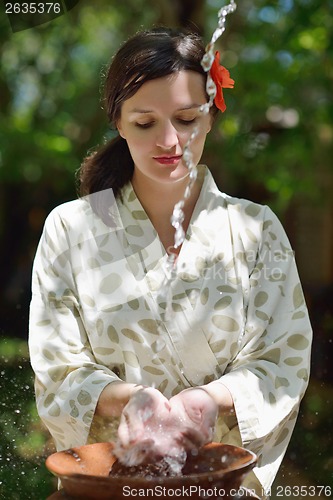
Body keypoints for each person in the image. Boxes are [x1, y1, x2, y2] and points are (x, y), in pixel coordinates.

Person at [29, 27, 312, 498]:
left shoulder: (256, 229)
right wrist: (130, 402)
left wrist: (205, 402)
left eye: (186, 119)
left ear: (211, 117)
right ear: (118, 122)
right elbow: (58, 365)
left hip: (218, 483)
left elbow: (282, 360)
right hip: (109, 484)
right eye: (145, 123)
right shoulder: (71, 228)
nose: (169, 140)